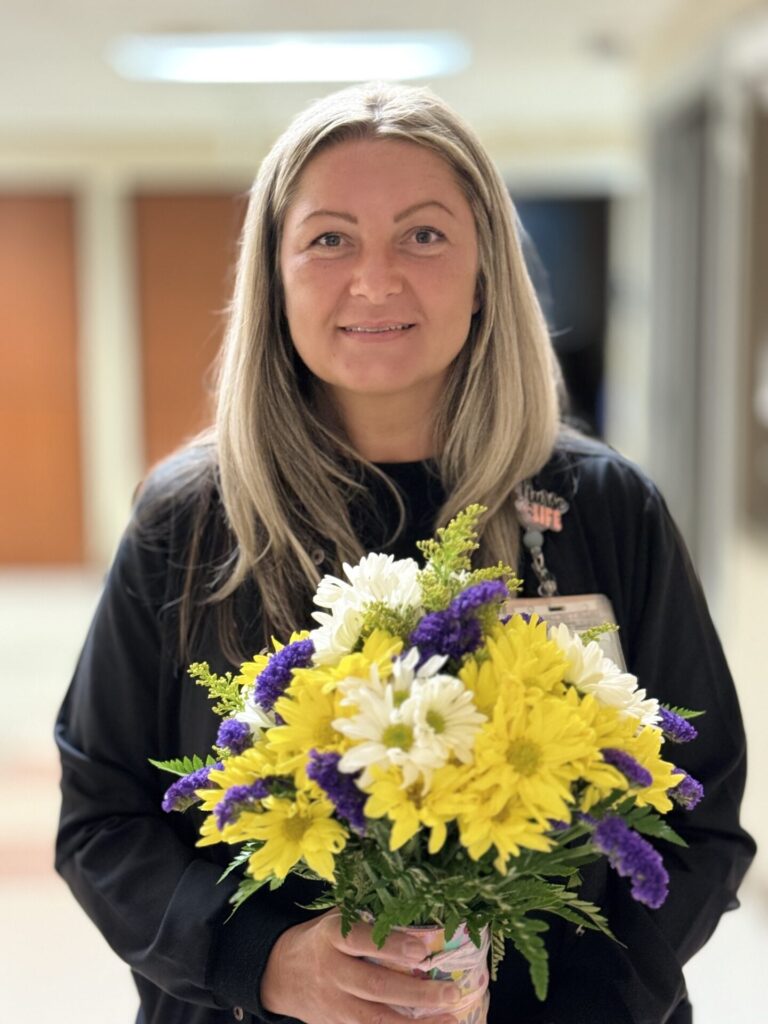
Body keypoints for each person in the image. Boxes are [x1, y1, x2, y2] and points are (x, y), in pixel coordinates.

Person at [55, 80, 755, 1024]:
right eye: (329, 238)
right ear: (276, 273)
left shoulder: (603, 506)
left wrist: (562, 991)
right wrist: (262, 962)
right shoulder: (189, 521)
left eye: (423, 235)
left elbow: (697, 807)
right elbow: (103, 818)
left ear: (484, 269)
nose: (374, 280)